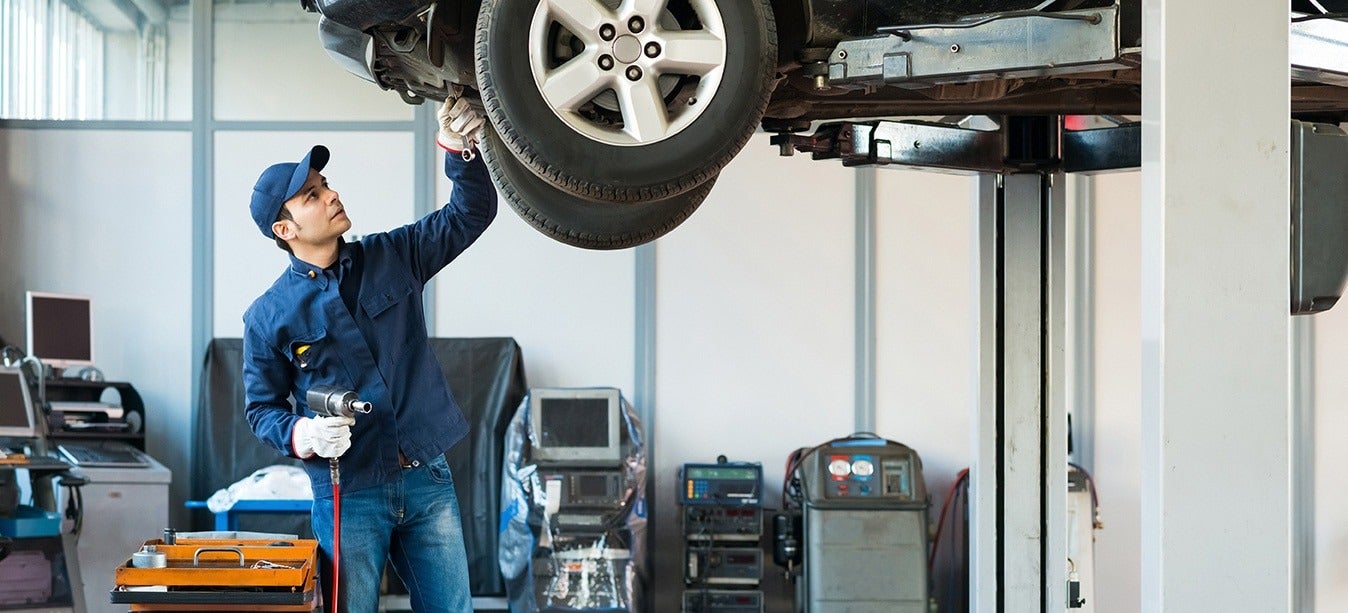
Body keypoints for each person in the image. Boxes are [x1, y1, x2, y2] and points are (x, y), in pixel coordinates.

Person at [241, 90, 494, 612]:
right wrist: (301, 433)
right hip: (348, 492)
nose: (331, 195)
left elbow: (470, 214)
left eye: (326, 184)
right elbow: (259, 409)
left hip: (426, 476)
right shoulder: (268, 317)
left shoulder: (393, 255)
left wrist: (456, 146)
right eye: (312, 195)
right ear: (284, 230)